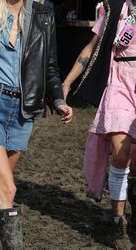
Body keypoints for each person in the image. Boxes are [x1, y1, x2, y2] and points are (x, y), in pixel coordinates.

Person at [0, 0, 73, 248]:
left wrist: (59, 100)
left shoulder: (43, 16)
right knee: (8, 189)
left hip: (23, 112)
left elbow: (49, 66)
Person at [63, 0, 136, 248]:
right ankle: (118, 222)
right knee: (121, 152)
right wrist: (66, 83)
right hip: (119, 85)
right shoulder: (115, 9)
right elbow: (91, 49)